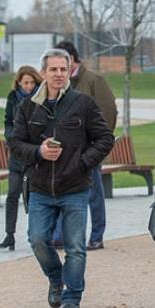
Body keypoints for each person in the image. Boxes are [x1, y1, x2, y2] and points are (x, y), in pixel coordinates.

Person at [8, 48, 115, 308]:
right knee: (38, 240)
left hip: (75, 187)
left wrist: (81, 163)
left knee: (76, 247)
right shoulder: (28, 105)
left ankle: (72, 297)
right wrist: (38, 152)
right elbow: (15, 144)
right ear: (43, 73)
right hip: (41, 187)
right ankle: (56, 278)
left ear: (69, 72)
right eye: (53, 69)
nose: (58, 74)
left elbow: (105, 138)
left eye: (63, 69)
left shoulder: (83, 103)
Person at [52, 40, 117, 251]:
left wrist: (97, 146)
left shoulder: (93, 80)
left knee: (94, 194)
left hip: (89, 151)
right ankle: (60, 236)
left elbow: (108, 111)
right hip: (64, 152)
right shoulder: (60, 83)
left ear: (72, 59)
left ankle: (97, 236)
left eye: (63, 62)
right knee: (62, 193)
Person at [0, 65, 42, 251]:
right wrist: (11, 136)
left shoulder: (40, 98)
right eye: (25, 83)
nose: (29, 86)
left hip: (32, 154)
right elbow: (8, 121)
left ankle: (36, 234)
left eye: (32, 82)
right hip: (16, 154)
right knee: (13, 193)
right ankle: (9, 234)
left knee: (33, 196)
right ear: (19, 83)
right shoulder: (13, 98)